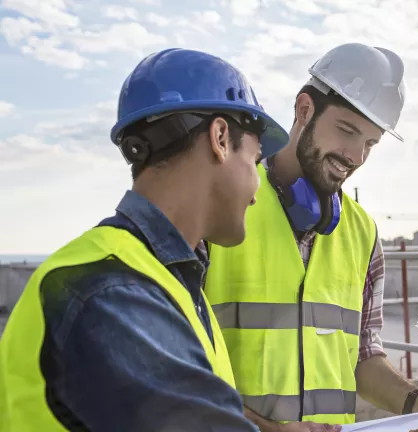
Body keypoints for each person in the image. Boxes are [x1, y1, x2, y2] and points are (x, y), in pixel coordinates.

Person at [0, 48, 293, 432]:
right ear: (221, 138)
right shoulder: (110, 291)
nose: (257, 191)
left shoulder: (167, 281)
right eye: (255, 162)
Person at [203, 42, 418, 431]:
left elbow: (362, 355)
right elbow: (174, 362)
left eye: (370, 143)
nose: (356, 156)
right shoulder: (222, 206)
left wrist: (415, 399)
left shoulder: (362, 233)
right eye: (347, 131)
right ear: (304, 110)